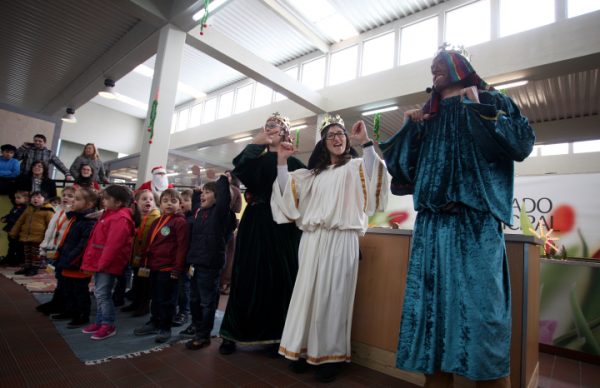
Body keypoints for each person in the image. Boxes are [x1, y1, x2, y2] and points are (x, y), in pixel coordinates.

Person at [379, 49, 535, 387]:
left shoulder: (491, 99)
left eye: (441, 63)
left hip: (475, 226)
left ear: (461, 68)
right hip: (431, 229)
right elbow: (403, 172)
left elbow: (522, 143)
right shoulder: (427, 115)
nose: (433, 68)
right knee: (430, 330)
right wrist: (410, 129)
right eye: (431, 66)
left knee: (484, 325)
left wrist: (481, 108)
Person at [272, 114, 388, 382]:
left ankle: (329, 357)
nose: (337, 138)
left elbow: (375, 175)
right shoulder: (313, 175)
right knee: (307, 294)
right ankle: (302, 351)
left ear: (348, 140)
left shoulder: (357, 166)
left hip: (342, 238)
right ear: (323, 143)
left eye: (341, 134)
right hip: (312, 239)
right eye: (331, 135)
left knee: (333, 297)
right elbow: (284, 191)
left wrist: (367, 142)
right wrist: (281, 160)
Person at [219, 113, 305, 355]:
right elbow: (239, 167)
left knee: (280, 276)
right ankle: (232, 333)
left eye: (275, 125)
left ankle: (276, 334)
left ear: (286, 132)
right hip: (256, 221)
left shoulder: (295, 164)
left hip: (283, 227)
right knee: (246, 274)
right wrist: (256, 142)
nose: (270, 129)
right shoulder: (255, 158)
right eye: (267, 126)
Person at [133, 189, 189, 343]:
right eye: (165, 201)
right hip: (154, 266)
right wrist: (144, 262)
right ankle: (154, 321)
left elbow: (182, 247)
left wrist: (177, 268)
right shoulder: (158, 221)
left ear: (179, 204)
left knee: (167, 300)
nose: (169, 204)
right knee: (156, 298)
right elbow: (150, 243)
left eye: (173, 201)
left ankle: (165, 327)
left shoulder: (180, 222)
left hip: (169, 269)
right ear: (160, 203)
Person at [80, 185, 135, 340]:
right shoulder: (110, 214)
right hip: (101, 262)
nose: (103, 201)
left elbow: (113, 245)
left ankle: (108, 324)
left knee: (103, 294)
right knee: (99, 292)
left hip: (107, 264)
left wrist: (102, 263)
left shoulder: (120, 218)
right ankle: (100, 321)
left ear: (117, 203)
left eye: (106, 198)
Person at [184, 175, 232, 350]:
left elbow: (224, 200)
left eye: (208, 192)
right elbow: (196, 202)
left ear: (217, 196)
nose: (203, 195)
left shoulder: (219, 213)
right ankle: (197, 328)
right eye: (203, 192)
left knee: (206, 301)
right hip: (195, 263)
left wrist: (222, 181)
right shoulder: (199, 212)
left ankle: (204, 335)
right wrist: (198, 193)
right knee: (194, 299)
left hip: (210, 265)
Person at [54, 187, 98, 328]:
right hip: (68, 261)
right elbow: (68, 240)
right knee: (68, 289)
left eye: (77, 199)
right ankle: (70, 311)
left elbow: (82, 246)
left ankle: (82, 315)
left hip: (78, 264)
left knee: (80, 292)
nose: (73, 201)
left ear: (89, 204)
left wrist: (69, 260)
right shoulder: (76, 218)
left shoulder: (89, 222)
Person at [36, 186, 76, 316]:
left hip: (64, 250)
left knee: (64, 278)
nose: (66, 198)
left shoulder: (73, 214)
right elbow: (51, 231)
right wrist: (45, 246)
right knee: (59, 276)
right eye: (64, 195)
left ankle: (63, 303)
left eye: (70, 196)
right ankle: (57, 301)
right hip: (55, 249)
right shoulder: (58, 210)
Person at [121, 189, 160, 316]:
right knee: (137, 281)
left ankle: (144, 306)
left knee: (145, 285)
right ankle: (136, 303)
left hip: (148, 259)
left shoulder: (156, 218)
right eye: (144, 199)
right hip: (137, 257)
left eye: (150, 199)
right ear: (137, 203)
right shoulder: (138, 218)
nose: (148, 201)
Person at [10, 191, 55, 276]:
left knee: (36, 253)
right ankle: (27, 266)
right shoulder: (28, 209)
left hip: (39, 237)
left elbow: (51, 225)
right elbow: (20, 221)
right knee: (27, 252)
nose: (35, 199)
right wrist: (13, 232)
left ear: (45, 200)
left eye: (39, 197)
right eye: (33, 197)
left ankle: (34, 268)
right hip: (26, 236)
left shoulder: (48, 210)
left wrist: (49, 238)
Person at [219, 170, 242, 295]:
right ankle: (224, 282)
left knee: (226, 254)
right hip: (229, 226)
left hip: (222, 225)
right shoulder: (236, 190)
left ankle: (222, 281)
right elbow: (238, 208)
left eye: (227, 175)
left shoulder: (225, 189)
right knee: (228, 255)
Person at [0, 190, 29, 266]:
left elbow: (19, 219)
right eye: (15, 197)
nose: (16, 199)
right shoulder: (15, 207)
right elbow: (10, 215)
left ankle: (16, 260)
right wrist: (5, 218)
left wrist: (9, 219)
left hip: (18, 231)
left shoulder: (25, 209)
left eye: (19, 198)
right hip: (11, 229)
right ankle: (9, 259)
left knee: (18, 246)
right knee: (11, 245)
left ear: (25, 199)